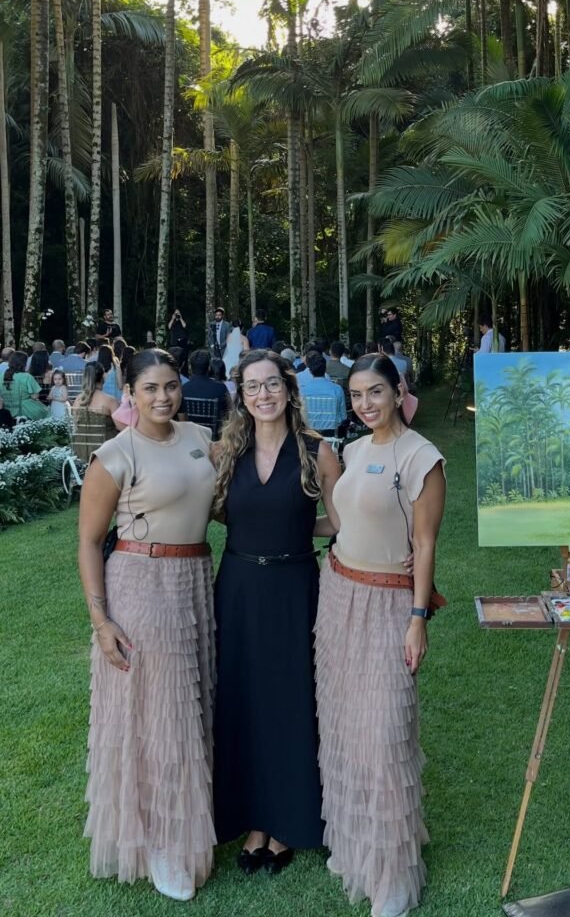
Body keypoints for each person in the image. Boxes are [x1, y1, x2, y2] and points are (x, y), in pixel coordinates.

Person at [78, 348, 217, 902]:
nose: (164, 397)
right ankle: (162, 841)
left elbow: (232, 503)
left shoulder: (199, 438)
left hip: (196, 580)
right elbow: (89, 541)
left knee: (192, 702)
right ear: (129, 392)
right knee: (162, 713)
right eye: (151, 388)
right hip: (142, 581)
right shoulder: (114, 455)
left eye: (172, 386)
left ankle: (191, 825)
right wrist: (100, 619)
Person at [315, 352, 446, 917]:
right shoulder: (351, 450)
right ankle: (355, 845)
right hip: (338, 594)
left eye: (375, 392)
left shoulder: (421, 458)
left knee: (385, 731)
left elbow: (426, 544)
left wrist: (417, 619)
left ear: (398, 391)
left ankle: (392, 873)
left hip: (391, 602)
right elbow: (343, 523)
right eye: (356, 396)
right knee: (344, 725)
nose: (365, 404)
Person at [212, 349, 341, 876]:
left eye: (271, 385)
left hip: (293, 587)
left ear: (289, 389)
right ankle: (253, 821)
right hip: (239, 587)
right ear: (240, 396)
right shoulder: (226, 450)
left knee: (290, 698)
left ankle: (287, 822)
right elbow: (214, 511)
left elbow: (339, 523)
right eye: (251, 387)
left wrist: (292, 531)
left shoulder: (317, 450)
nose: (262, 395)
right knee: (242, 699)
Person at [299, 352, 346, 434]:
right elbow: (343, 417)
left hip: (311, 436)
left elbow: (300, 418)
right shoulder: (337, 389)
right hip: (333, 436)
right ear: (325, 369)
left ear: (309, 371)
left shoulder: (302, 391)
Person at [1, 351, 48, 420]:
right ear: (24, 364)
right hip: (26, 410)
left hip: (7, 410)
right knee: (47, 413)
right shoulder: (27, 376)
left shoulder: (1, 376)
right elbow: (34, 396)